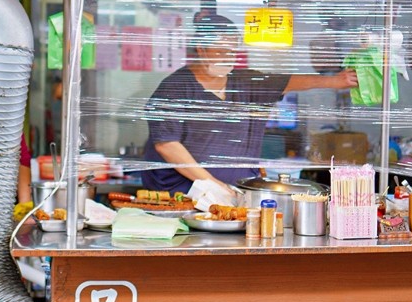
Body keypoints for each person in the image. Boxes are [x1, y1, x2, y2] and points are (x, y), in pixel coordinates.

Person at [142, 14, 358, 195]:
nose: (227, 57)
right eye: (220, 51)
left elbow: (287, 82)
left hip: (237, 195)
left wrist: (334, 81)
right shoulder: (175, 88)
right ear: (201, 49)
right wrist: (213, 187)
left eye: (232, 51)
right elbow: (166, 144)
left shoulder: (245, 82)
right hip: (181, 198)